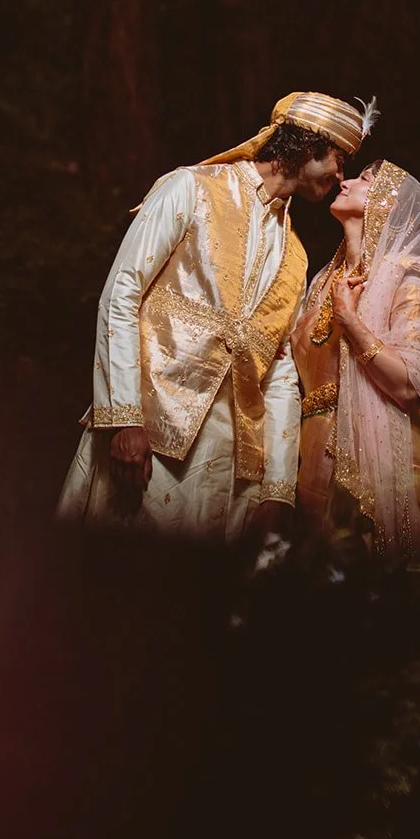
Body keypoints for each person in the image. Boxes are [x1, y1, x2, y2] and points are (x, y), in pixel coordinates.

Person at [56, 91, 378, 543]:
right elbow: (122, 292)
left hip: (231, 466)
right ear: (308, 147)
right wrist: (125, 419)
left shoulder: (296, 255)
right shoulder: (191, 187)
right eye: (338, 160)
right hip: (150, 434)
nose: (339, 176)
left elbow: (281, 370)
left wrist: (278, 490)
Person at [291, 159, 420, 561]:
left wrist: (350, 320)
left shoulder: (410, 280)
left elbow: (408, 384)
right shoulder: (322, 282)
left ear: (389, 203)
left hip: (385, 462)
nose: (344, 181)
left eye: (364, 179)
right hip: (308, 454)